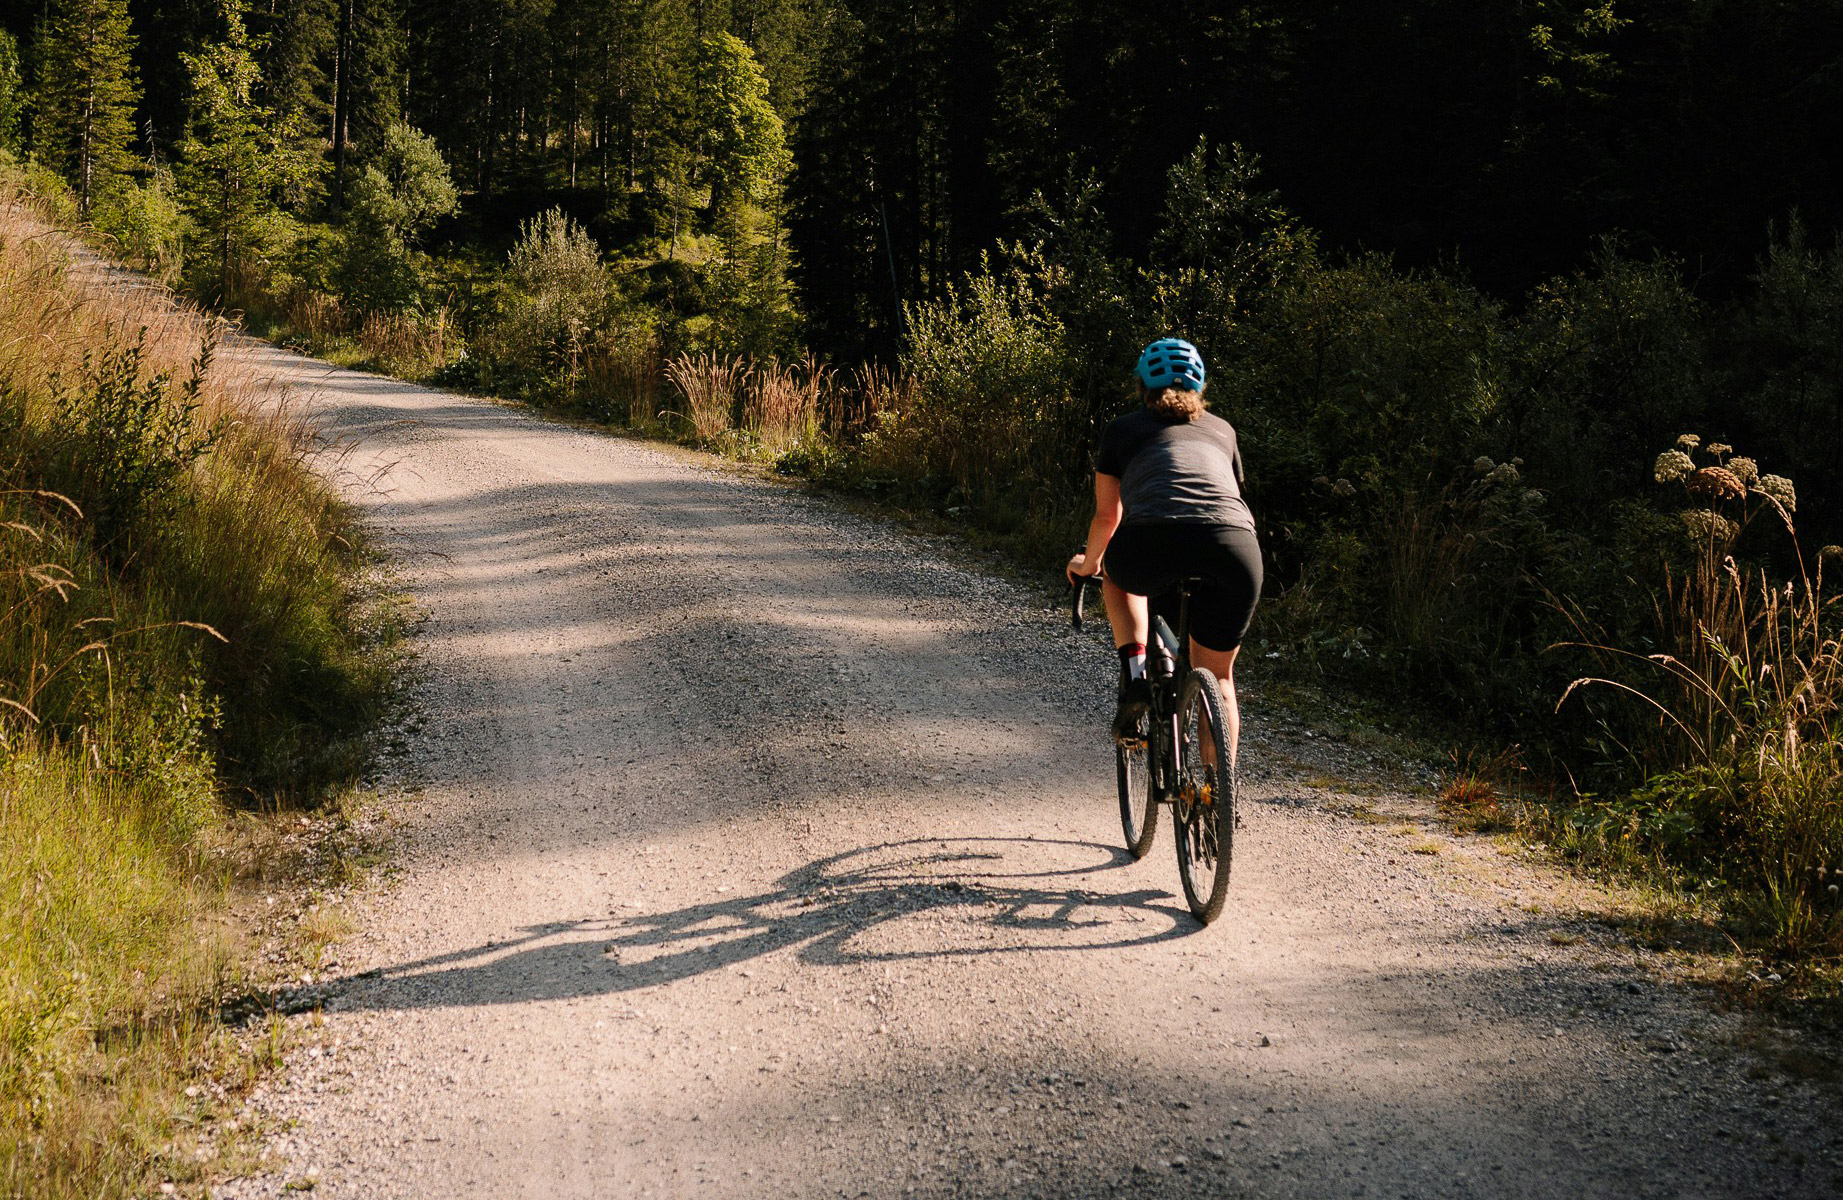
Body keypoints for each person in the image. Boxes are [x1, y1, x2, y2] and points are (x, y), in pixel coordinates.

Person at [1065, 337, 1262, 765]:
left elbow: (1106, 519)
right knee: (1221, 677)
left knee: (1114, 574)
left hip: (1152, 540)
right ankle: (1217, 802)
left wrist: (1088, 564)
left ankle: (1136, 670)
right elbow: (1231, 501)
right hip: (1235, 548)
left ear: (1141, 385)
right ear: (1200, 385)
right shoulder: (1223, 430)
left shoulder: (1122, 430)